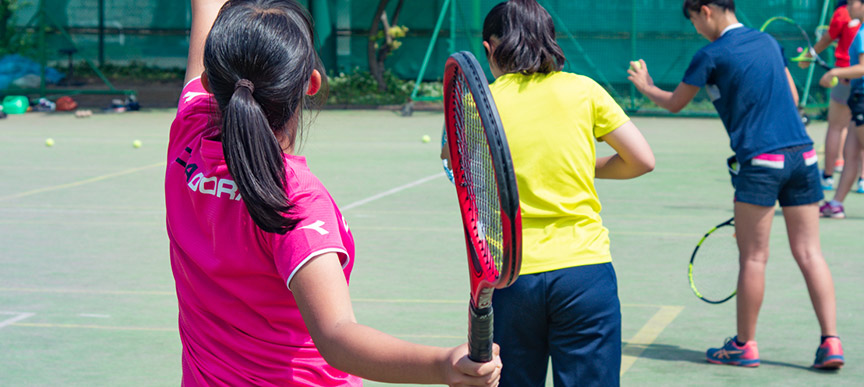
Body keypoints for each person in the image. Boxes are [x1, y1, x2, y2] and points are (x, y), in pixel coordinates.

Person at [165, 0, 502, 385]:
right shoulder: (296, 203)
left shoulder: (188, 134)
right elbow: (337, 334)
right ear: (310, 84)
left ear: (209, 83)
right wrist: (441, 363)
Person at [628, 0, 844, 370]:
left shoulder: (710, 54)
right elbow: (792, 98)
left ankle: (744, 345)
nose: (695, 28)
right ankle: (832, 343)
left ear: (706, 10)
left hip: (761, 163)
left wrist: (647, 87)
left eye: (694, 20)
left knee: (754, 257)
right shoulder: (767, 42)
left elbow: (677, 103)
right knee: (810, 253)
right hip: (804, 158)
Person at [451, 1, 654, 385]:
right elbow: (642, 159)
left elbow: (460, 163)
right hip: (585, 272)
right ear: (550, 42)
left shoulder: (478, 102)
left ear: (490, 49)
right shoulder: (583, 89)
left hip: (510, 275)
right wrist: (577, 165)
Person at [800, 0, 864, 193]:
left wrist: (808, 57)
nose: (850, 6)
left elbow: (827, 38)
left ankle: (828, 176)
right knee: (853, 137)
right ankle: (853, 185)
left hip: (849, 81)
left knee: (837, 128)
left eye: (853, 2)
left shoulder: (843, 15)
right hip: (851, 84)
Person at [818, 0, 864, 219]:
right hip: (856, 98)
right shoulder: (859, 29)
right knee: (851, 152)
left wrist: (836, 72)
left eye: (853, 2)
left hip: (861, 97)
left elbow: (863, 68)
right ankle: (836, 204)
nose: (848, 6)